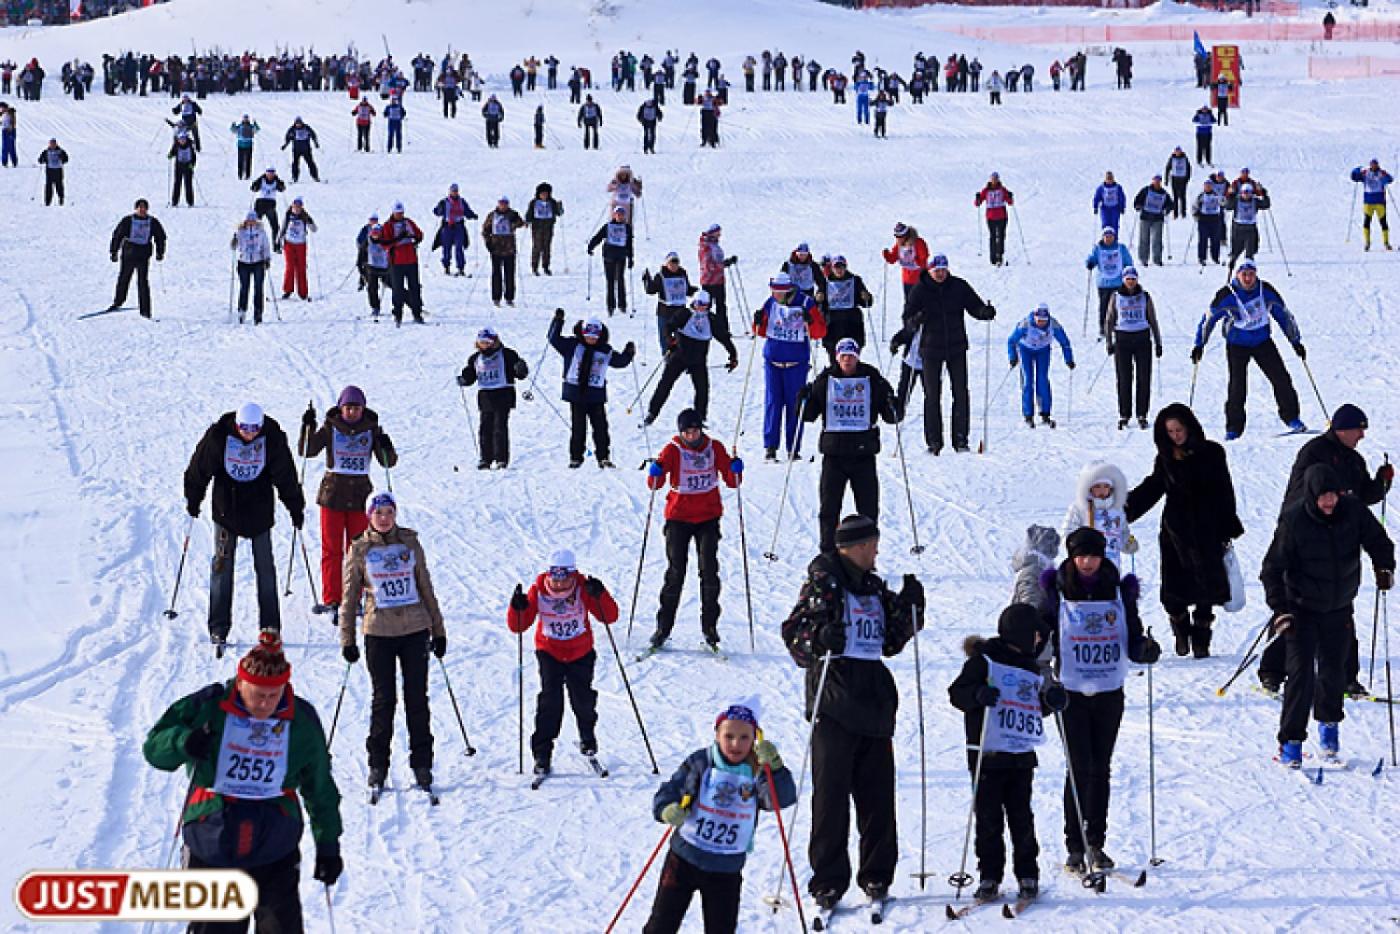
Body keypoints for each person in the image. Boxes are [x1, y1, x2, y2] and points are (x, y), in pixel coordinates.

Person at [142, 632, 343, 930]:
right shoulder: (209, 706)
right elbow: (153, 749)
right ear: (240, 683)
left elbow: (319, 786)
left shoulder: (300, 720)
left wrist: (328, 845)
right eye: (257, 694)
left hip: (276, 842)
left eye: (273, 695)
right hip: (213, 839)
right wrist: (183, 742)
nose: (264, 704)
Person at [780, 515, 922, 913]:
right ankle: (827, 880)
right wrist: (819, 637)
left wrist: (911, 608)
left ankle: (877, 874)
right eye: (872, 545)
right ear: (855, 547)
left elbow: (890, 641)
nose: (876, 552)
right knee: (831, 796)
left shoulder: (873, 585)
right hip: (835, 697)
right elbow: (793, 634)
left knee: (877, 795)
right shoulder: (823, 581)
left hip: (873, 699)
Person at [1039, 527, 1161, 874]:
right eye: (1081, 556)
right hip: (1071, 692)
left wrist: (1145, 650)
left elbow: (1133, 637)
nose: (1087, 562)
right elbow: (1040, 633)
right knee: (1078, 767)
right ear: (1071, 557)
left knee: (1100, 768)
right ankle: (1074, 846)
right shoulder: (1057, 591)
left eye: (1093, 555)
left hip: (1109, 691)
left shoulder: (1119, 592)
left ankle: (1096, 842)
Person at [1258, 404, 1395, 695]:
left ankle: (1346, 677)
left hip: (1336, 537)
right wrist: (1306, 523)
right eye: (1359, 429)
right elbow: (1302, 492)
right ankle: (1272, 671)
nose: (1361, 435)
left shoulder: (1354, 460)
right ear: (1342, 429)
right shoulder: (1314, 452)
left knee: (1338, 605)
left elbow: (1363, 496)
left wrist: (1381, 483)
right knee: (1295, 605)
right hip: (1302, 535)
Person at [1262, 464, 1393, 766]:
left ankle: (1329, 730)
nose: (1329, 502)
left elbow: (1378, 541)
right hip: (1300, 610)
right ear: (1311, 496)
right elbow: (1272, 569)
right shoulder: (1294, 521)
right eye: (1322, 497)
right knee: (1300, 676)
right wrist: (1281, 611)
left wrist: (1384, 567)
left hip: (1338, 607)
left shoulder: (1354, 511)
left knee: (1335, 672)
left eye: (1333, 495)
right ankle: (1291, 743)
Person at [642, 701, 796, 934]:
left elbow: (778, 800)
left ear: (756, 738)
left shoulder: (757, 769)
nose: (736, 744)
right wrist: (666, 809)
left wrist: (775, 768)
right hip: (684, 857)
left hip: (726, 867)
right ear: (717, 734)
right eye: (729, 736)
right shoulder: (701, 761)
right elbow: (669, 790)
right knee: (661, 924)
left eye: (745, 737)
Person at [948, 604, 1065, 902]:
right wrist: (977, 695)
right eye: (1037, 635)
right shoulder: (984, 661)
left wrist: (1052, 701)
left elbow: (1034, 708)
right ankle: (989, 875)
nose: (1039, 641)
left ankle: (1028, 873)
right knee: (988, 818)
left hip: (1020, 754)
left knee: (1021, 816)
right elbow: (956, 693)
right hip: (987, 753)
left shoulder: (1030, 667)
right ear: (1023, 633)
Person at [340, 492, 447, 791]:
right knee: (383, 701)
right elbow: (349, 598)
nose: (384, 518)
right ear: (369, 516)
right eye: (378, 513)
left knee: (417, 699)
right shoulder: (360, 549)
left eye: (389, 512)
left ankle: (422, 763)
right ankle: (378, 765)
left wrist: (438, 630)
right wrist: (347, 638)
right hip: (379, 633)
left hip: (414, 629)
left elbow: (425, 586)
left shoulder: (410, 543)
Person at [1125, 404, 1243, 658]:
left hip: (1208, 528)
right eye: (1170, 431)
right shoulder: (1166, 458)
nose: (1176, 435)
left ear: (1189, 426)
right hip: (1176, 532)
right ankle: (1180, 629)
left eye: (1179, 429)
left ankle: (1202, 639)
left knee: (1206, 590)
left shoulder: (1213, 452)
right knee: (1174, 591)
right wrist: (1124, 509)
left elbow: (1225, 489)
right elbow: (1153, 487)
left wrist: (1228, 524)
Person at [184, 403, 304, 645]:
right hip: (226, 512)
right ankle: (219, 626)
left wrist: (295, 506)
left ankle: (270, 625)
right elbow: (199, 468)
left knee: (266, 570)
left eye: (254, 429)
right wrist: (194, 498)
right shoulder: (219, 437)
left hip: (259, 513)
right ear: (237, 425)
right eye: (244, 428)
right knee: (221, 568)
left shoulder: (271, 438)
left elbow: (285, 475)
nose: (249, 433)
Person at [507, 549, 619, 777]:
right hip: (550, 652)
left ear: (572, 574)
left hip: (581, 651)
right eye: (554, 578)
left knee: (583, 699)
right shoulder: (538, 590)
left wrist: (600, 595)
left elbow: (609, 617)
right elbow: (518, 626)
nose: (558, 584)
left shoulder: (582, 588)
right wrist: (517, 607)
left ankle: (587, 737)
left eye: (564, 578)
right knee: (550, 701)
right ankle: (542, 752)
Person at [644, 409, 741, 651]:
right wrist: (654, 472)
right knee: (676, 572)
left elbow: (732, 482)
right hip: (678, 518)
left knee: (709, 571)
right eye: (687, 432)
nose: (691, 435)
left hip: (708, 517)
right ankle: (663, 629)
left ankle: (710, 629)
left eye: (695, 430)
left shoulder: (714, 447)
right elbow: (655, 485)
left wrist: (735, 468)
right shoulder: (673, 450)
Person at [299, 387, 397, 617]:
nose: (351, 412)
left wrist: (386, 444)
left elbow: (388, 463)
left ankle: (356, 596)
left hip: (360, 497)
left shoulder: (371, 429)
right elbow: (307, 450)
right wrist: (308, 427)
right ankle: (333, 598)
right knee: (331, 549)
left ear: (363, 408)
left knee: (358, 550)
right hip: (332, 496)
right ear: (341, 408)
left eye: (356, 408)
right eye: (348, 407)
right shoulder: (331, 426)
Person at [800, 339, 901, 552]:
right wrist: (803, 399)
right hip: (834, 455)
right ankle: (827, 554)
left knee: (868, 510)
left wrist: (893, 403)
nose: (847, 360)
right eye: (843, 356)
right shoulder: (826, 379)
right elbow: (808, 415)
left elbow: (891, 416)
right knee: (829, 509)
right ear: (837, 356)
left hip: (863, 454)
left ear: (857, 356)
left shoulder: (871, 378)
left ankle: (867, 554)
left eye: (851, 356)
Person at [891, 254, 996, 454]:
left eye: (943, 270)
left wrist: (984, 312)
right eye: (936, 270)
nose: (940, 274)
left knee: (961, 393)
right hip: (930, 349)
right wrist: (916, 319)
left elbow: (974, 306)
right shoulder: (920, 290)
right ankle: (934, 442)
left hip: (956, 347)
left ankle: (961, 439)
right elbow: (907, 319)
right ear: (929, 271)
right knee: (932, 395)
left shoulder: (958, 286)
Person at [1193, 259, 1306, 438]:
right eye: (1244, 274)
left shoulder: (1265, 290)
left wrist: (1295, 341)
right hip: (1237, 344)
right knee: (1238, 386)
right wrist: (1199, 345)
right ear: (1237, 275)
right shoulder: (1226, 295)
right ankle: (1233, 429)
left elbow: (1283, 315)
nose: (1248, 278)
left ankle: (1292, 418)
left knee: (1281, 378)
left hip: (1262, 341)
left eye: (1251, 274)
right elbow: (1209, 319)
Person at [549, 311, 636, 468]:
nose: (591, 339)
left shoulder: (605, 350)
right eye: (588, 335)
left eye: (595, 336)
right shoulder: (572, 345)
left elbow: (620, 362)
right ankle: (576, 457)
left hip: (595, 396)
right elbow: (553, 339)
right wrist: (558, 321)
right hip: (576, 394)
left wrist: (628, 353)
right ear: (582, 333)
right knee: (578, 428)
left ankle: (603, 457)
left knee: (601, 428)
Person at [754, 272, 826, 461]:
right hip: (773, 363)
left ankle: (793, 446)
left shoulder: (805, 303)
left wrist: (810, 322)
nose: (774, 295)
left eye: (778, 292)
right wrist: (758, 320)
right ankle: (770, 446)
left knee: (795, 405)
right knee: (773, 404)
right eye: (773, 291)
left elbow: (819, 332)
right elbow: (762, 332)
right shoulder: (771, 303)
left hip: (796, 364)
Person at [646, 291, 739, 425]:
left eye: (705, 305)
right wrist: (669, 339)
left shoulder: (711, 320)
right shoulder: (684, 314)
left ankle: (700, 418)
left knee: (702, 389)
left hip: (698, 361)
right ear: (694, 302)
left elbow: (723, 337)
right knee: (665, 384)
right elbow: (668, 326)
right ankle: (652, 413)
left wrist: (733, 355)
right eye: (699, 304)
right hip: (679, 356)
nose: (701, 307)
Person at [457, 326, 529, 469]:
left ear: (494, 341)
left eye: (488, 342)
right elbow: (471, 376)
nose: (485, 345)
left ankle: (501, 459)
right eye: (482, 342)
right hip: (485, 396)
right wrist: (465, 379)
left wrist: (521, 368)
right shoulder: (475, 358)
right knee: (485, 428)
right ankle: (485, 458)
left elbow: (520, 374)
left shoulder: (507, 354)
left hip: (503, 394)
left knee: (499, 428)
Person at [1104, 267, 1162, 429]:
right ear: (1123, 279)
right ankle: (1124, 413)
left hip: (1142, 339)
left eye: (1133, 279)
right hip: (1123, 339)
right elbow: (1109, 320)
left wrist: (1158, 342)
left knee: (1144, 378)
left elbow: (1152, 319)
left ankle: (1142, 413)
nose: (1131, 282)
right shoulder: (1116, 297)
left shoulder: (1144, 296)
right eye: (1128, 279)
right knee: (1124, 378)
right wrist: (1109, 342)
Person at [1060, 461, 1137, 571]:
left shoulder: (1117, 509)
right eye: (1097, 486)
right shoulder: (1080, 508)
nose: (1102, 490)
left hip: (1112, 567)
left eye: (1106, 486)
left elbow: (1122, 532)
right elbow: (1067, 534)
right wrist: (1079, 546)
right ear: (1089, 487)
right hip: (1087, 566)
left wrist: (1127, 543)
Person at [1008, 303, 1074, 428]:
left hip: (1043, 351)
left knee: (1042, 379)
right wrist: (1013, 357)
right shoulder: (1025, 324)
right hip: (1025, 350)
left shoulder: (1054, 324)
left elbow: (1065, 342)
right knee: (1028, 381)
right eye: (1039, 320)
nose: (1041, 323)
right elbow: (1011, 341)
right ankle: (1028, 414)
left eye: (1044, 320)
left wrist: (1069, 359)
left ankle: (1045, 412)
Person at [106, 198, 167, 319]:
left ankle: (145, 310)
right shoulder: (128, 220)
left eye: (144, 208)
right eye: (140, 208)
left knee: (143, 282)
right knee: (124, 278)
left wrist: (160, 252)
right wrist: (114, 251)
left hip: (143, 254)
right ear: (136, 208)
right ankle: (118, 301)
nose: (142, 210)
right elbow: (118, 235)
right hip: (129, 252)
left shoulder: (152, 221)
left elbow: (160, 237)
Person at [374, 201, 425, 325]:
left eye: (401, 213)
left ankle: (417, 313)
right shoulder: (388, 226)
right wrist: (399, 239)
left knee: (415, 287)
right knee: (398, 289)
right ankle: (398, 314)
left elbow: (419, 234)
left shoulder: (408, 222)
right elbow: (384, 243)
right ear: (393, 213)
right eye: (398, 213)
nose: (400, 215)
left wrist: (415, 239)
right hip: (396, 262)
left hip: (411, 260)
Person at [820, 256, 873, 364]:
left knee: (852, 357)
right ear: (832, 268)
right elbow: (820, 303)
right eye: (836, 267)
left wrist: (866, 297)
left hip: (852, 324)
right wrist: (818, 299)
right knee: (834, 358)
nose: (839, 270)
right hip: (833, 326)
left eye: (842, 267)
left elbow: (866, 302)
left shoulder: (855, 280)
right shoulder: (826, 282)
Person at [1084, 227, 1134, 340]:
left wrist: (1129, 272)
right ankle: (1103, 327)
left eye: (1110, 236)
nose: (1108, 239)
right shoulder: (1098, 249)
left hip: (1118, 283)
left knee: (1118, 307)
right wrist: (1090, 263)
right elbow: (1092, 258)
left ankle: (1118, 326)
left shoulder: (1121, 248)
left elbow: (1128, 262)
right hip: (1104, 283)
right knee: (1104, 307)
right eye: (1106, 236)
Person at [643, 252, 698, 354]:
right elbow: (651, 290)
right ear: (666, 263)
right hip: (665, 313)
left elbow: (686, 290)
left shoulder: (682, 274)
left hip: (680, 313)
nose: (674, 265)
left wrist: (696, 291)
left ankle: (680, 361)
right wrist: (647, 280)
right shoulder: (661, 276)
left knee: (681, 338)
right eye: (671, 263)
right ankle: (667, 359)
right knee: (665, 339)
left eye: (676, 263)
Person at [587, 206, 635, 316]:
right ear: (614, 215)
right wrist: (591, 246)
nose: (620, 216)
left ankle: (622, 305)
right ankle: (610, 306)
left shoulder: (627, 228)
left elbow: (629, 244)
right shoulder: (608, 226)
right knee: (610, 281)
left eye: (622, 214)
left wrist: (631, 258)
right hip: (609, 256)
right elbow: (598, 237)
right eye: (618, 214)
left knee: (620, 280)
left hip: (621, 256)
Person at [482, 195, 526, 306]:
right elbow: (485, 230)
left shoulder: (513, 214)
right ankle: (496, 298)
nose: (503, 205)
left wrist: (515, 221)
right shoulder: (492, 216)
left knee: (510, 274)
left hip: (509, 249)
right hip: (496, 249)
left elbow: (521, 224)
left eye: (505, 203)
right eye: (501, 203)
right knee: (496, 274)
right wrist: (488, 243)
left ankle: (509, 297)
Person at [230, 211, 272, 324]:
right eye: (249, 220)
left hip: (258, 262)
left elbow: (266, 246)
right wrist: (233, 242)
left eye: (253, 220)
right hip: (244, 262)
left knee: (259, 288)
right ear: (246, 221)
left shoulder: (261, 232)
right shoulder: (241, 232)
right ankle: (242, 311)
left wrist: (267, 259)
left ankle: (258, 312)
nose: (251, 223)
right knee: (244, 287)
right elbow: (234, 246)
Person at [696, 223, 737, 329]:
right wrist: (723, 264)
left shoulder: (714, 245)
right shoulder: (705, 246)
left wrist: (726, 262)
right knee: (706, 306)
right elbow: (708, 266)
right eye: (718, 233)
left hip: (719, 281)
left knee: (721, 306)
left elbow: (717, 262)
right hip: (709, 282)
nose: (719, 236)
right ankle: (704, 327)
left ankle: (723, 329)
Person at [432, 183, 477, 277]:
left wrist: (472, 215)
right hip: (447, 227)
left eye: (456, 191)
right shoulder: (444, 202)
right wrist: (439, 210)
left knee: (459, 248)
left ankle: (461, 268)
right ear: (450, 192)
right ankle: (446, 267)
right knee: (446, 247)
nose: (455, 193)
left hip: (459, 227)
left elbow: (467, 211)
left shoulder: (462, 201)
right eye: (453, 191)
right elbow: (436, 211)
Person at [277, 197, 317, 301]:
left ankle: (303, 293)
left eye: (299, 207)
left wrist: (310, 222)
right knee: (290, 267)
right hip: (289, 244)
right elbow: (283, 228)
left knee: (301, 268)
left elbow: (314, 229)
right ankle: (288, 290)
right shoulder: (288, 215)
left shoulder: (304, 216)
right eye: (295, 207)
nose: (297, 209)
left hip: (301, 245)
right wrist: (278, 240)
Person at [1224, 182, 1270, 270]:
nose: (1246, 195)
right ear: (1241, 192)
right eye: (1244, 192)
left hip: (1250, 228)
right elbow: (1228, 207)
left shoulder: (1255, 201)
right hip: (1238, 228)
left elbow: (1266, 204)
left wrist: (1263, 192)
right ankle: (1232, 266)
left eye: (1248, 192)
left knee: (1250, 250)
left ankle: (1249, 269)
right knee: (1236, 251)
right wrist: (1230, 195)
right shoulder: (1236, 200)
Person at [1349, 159, 1392, 251]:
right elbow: (1354, 177)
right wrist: (1356, 171)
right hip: (1368, 202)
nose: (1374, 166)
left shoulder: (1382, 172)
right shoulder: (1365, 173)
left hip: (1380, 202)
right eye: (1372, 165)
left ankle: (1386, 243)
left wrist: (1385, 179)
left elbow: (1390, 179)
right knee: (1366, 222)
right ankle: (1367, 243)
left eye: (1375, 165)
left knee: (1383, 223)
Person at [1132, 176, 1174, 267]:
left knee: (1157, 240)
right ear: (1153, 181)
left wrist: (1167, 209)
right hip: (1145, 217)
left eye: (1159, 181)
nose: (1157, 183)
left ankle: (1157, 259)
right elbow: (1137, 200)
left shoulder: (1164, 193)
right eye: (1155, 181)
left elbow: (1170, 204)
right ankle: (1143, 259)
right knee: (1144, 239)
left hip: (1158, 219)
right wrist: (1138, 205)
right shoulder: (1146, 190)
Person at [975, 172, 1014, 266]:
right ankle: (993, 258)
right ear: (990, 180)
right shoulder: (986, 190)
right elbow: (977, 204)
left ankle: (999, 256)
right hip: (991, 217)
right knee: (992, 237)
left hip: (1002, 217)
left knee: (1001, 237)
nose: (994, 181)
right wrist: (978, 198)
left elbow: (1010, 203)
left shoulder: (1002, 190)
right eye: (993, 179)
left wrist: (1010, 196)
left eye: (996, 179)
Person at [526, 182, 564, 276]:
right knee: (537, 247)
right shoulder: (534, 203)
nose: (544, 196)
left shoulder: (552, 202)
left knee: (547, 247)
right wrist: (527, 220)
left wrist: (560, 207)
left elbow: (559, 213)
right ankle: (535, 267)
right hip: (537, 227)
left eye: (546, 194)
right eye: (542, 194)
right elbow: (529, 214)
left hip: (548, 227)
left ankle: (546, 266)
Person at [882, 223, 928, 299]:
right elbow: (893, 258)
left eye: (900, 236)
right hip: (907, 279)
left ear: (906, 235)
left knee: (921, 303)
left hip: (920, 278)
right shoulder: (899, 245)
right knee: (909, 302)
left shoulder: (918, 243)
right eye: (896, 236)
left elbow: (924, 258)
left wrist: (915, 260)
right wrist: (887, 256)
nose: (898, 239)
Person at [1191, 178, 1225, 266]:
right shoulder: (1201, 196)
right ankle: (1202, 258)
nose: (1208, 187)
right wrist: (1195, 214)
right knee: (1203, 239)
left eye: (1209, 186)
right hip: (1203, 219)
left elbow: (1224, 203)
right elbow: (1194, 206)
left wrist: (1222, 202)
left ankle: (1215, 257)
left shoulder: (1216, 195)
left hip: (1215, 219)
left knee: (1215, 240)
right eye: (1206, 186)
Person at [250, 166, 285, 246]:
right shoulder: (261, 179)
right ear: (266, 173)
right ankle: (253, 244)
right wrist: (255, 187)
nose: (270, 175)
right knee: (255, 225)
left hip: (270, 205)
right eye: (269, 173)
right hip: (260, 204)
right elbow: (253, 187)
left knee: (275, 226)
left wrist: (281, 187)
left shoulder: (277, 180)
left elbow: (282, 188)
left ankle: (276, 245)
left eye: (272, 173)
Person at [281, 116, 320, 183]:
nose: (298, 125)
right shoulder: (292, 129)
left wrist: (316, 143)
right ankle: (294, 178)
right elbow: (288, 137)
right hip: (296, 150)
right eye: (297, 123)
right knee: (295, 164)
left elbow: (313, 135)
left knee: (311, 163)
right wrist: (285, 145)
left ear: (301, 123)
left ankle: (315, 177)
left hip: (306, 150)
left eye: (299, 123)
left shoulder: (306, 128)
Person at [168, 130, 197, 207]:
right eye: (181, 139)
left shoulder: (190, 145)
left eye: (183, 139)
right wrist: (170, 155)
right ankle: (174, 202)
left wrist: (192, 164)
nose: (182, 141)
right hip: (179, 167)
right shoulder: (176, 145)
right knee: (177, 183)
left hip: (188, 167)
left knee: (188, 184)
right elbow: (172, 152)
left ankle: (190, 202)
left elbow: (194, 157)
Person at [36, 137, 67, 206]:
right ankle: (47, 202)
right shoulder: (46, 151)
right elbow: (40, 160)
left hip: (58, 171)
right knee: (48, 187)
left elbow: (66, 159)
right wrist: (42, 160)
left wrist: (62, 157)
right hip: (50, 171)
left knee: (59, 187)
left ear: (56, 144)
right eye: (51, 144)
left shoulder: (60, 151)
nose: (52, 145)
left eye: (54, 144)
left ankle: (61, 200)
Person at [1164, 146, 1192, 219]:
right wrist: (1166, 179)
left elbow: (1189, 168)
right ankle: (1175, 213)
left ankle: (1183, 213)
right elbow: (1167, 168)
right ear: (1174, 152)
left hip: (1183, 179)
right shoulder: (1172, 159)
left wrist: (1187, 178)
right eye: (1176, 151)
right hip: (1174, 179)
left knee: (1182, 196)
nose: (1178, 153)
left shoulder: (1185, 158)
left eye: (1179, 151)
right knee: (1175, 197)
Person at [229, 114, 259, 180]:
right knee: (240, 161)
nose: (245, 120)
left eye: (246, 118)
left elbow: (257, 129)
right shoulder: (240, 126)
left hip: (248, 145)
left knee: (248, 160)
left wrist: (255, 123)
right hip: (241, 146)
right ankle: (240, 175)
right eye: (244, 118)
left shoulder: (251, 126)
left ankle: (247, 175)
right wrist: (233, 124)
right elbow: (233, 130)